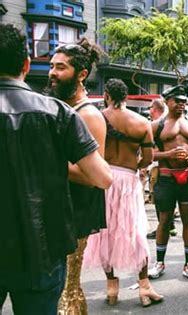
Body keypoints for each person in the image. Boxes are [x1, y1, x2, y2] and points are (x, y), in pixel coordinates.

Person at [0, 23, 112, 315]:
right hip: (41, 245)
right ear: (26, 64)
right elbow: (103, 176)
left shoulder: (80, 113)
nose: (52, 72)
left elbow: (97, 180)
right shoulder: (57, 113)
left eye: (59, 67)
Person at [83, 78, 163, 307]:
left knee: (104, 232)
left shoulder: (96, 118)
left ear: (106, 95)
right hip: (128, 180)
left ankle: (111, 287)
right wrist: (135, 169)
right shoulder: (141, 122)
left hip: (103, 177)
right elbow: (148, 159)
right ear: (126, 96)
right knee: (135, 231)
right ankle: (144, 287)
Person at [47, 37, 110, 313]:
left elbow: (92, 176)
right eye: (52, 66)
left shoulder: (89, 115)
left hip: (78, 210)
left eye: (61, 68)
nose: (52, 73)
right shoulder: (65, 108)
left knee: (68, 288)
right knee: (62, 287)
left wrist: (46, 166)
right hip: (62, 206)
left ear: (82, 74)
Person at [149, 85, 188, 281]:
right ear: (168, 101)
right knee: (165, 221)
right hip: (166, 177)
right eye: (177, 101)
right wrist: (167, 154)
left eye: (184, 101)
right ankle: (159, 262)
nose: (181, 104)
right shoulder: (156, 126)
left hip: (187, 177)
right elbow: (145, 154)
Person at [146, 97, 178, 239]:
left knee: (160, 199)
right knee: (164, 200)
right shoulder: (165, 123)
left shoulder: (158, 125)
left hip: (160, 168)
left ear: (154, 109)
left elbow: (152, 150)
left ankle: (164, 228)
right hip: (162, 167)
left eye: (150, 108)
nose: (149, 111)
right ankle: (169, 227)